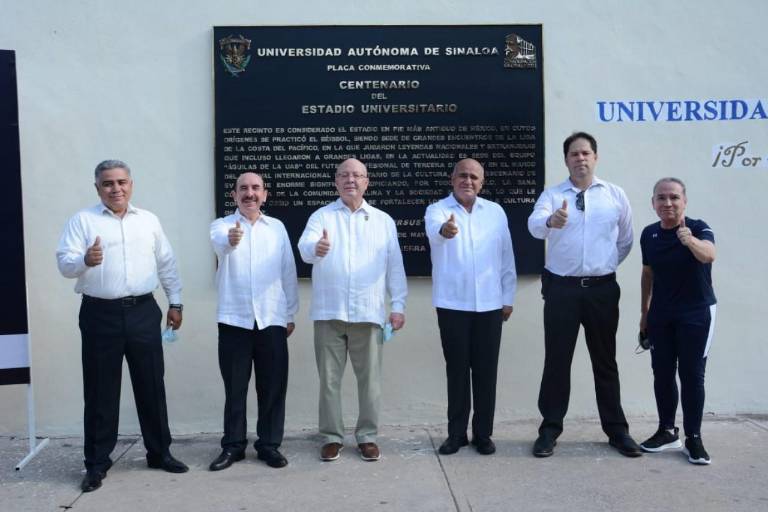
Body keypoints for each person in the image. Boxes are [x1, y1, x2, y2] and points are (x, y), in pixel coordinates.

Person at [56, 160, 187, 493]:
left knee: (151, 385)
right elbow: (64, 263)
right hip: (100, 314)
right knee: (100, 390)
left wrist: (175, 302)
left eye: (122, 182)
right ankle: (97, 463)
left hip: (144, 310)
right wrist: (85, 260)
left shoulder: (149, 221)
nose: (116, 189)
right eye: (108, 184)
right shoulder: (82, 221)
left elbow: (167, 263)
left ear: (131, 184)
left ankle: (160, 453)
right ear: (97, 187)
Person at [527, 132, 642, 458]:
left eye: (586, 153)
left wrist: (599, 268)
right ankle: (549, 430)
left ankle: (617, 431)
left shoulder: (614, 195)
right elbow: (535, 227)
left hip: (602, 291)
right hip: (561, 290)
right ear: (566, 160)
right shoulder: (552, 195)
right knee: (557, 362)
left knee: (605, 361)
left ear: (595, 157)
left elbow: (625, 241)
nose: (580, 159)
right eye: (574, 154)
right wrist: (552, 220)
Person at [297, 158, 407, 462]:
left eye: (357, 175)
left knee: (369, 381)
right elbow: (305, 247)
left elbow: (395, 267)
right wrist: (316, 250)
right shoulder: (321, 217)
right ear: (336, 182)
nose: (351, 180)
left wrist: (397, 305)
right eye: (344, 175)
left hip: (368, 312)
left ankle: (367, 436)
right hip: (328, 312)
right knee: (329, 381)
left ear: (366, 182)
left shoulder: (383, 220)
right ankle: (332, 437)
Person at [425, 158, 517, 456]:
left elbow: (506, 256)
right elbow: (436, 233)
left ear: (482, 182)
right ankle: (456, 434)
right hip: (452, 304)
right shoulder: (438, 210)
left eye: (474, 177)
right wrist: (446, 231)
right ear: (452, 179)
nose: (468, 181)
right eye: (462, 176)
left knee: (486, 371)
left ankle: (483, 434)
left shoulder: (495, 212)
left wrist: (507, 297)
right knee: (457, 371)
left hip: (490, 304)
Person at [208, 172, 298, 471]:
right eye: (243, 189)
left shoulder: (277, 228)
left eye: (255, 188)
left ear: (265, 194)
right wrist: (232, 239)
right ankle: (233, 446)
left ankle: (269, 445)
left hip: (272, 317)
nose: (250, 193)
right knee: (235, 387)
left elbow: (288, 271)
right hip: (234, 319)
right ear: (234, 195)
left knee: (272, 386)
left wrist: (289, 313)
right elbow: (222, 244)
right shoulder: (221, 226)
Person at [638, 178, 716, 465]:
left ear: (684, 201)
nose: (667, 203)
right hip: (661, 314)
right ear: (653, 203)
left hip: (696, 313)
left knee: (692, 374)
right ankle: (667, 431)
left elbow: (709, 255)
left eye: (673, 197)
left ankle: (693, 438)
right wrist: (644, 315)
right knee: (662, 372)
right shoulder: (649, 234)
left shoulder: (698, 227)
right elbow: (648, 275)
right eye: (661, 198)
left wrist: (690, 240)